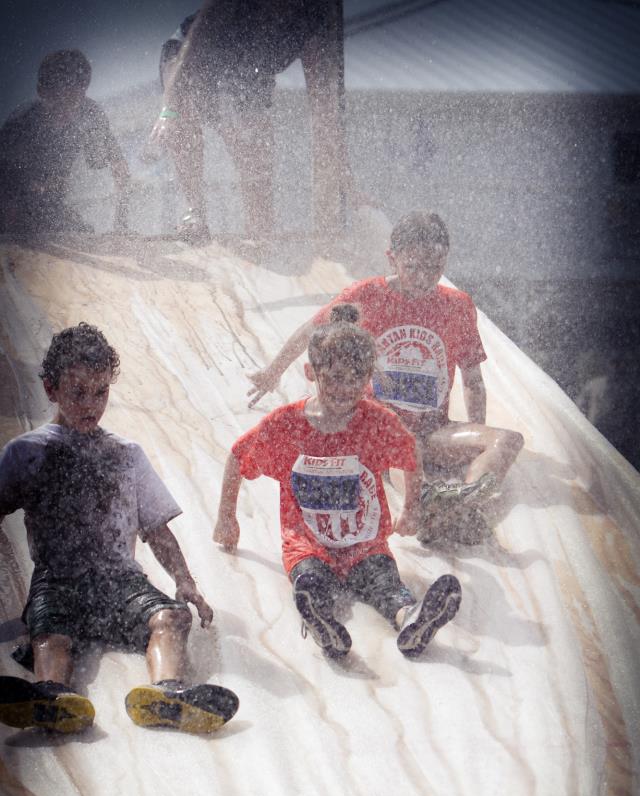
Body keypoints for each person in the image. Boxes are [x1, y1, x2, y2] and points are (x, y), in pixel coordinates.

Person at [0, 324, 238, 735]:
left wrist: (185, 581)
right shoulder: (28, 452)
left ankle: (168, 693)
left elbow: (156, 529)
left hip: (120, 583)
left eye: (101, 392)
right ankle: (50, 695)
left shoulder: (125, 455)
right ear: (51, 389)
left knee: (171, 617)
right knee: (50, 634)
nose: (91, 405)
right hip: (57, 579)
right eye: (78, 392)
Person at [246, 211, 524, 541]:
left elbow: (473, 380)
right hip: (377, 426)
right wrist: (272, 372)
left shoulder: (457, 306)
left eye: (435, 267)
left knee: (508, 440)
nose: (424, 277)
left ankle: (466, 501)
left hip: (434, 429)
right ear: (392, 259)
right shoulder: (368, 296)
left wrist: (476, 433)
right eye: (413, 267)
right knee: (404, 442)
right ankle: (425, 501)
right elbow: (312, 330)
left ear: (446, 259)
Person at [214, 309, 462, 658]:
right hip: (307, 542)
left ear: (369, 378)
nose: (345, 389)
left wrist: (411, 509)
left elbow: (410, 453)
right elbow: (238, 457)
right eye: (334, 378)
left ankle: (410, 619)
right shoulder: (287, 424)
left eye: (356, 379)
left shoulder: (376, 421)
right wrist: (226, 518)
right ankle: (323, 624)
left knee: (385, 583)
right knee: (311, 581)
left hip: (365, 542)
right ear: (310, 372)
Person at [149, 1, 346, 242]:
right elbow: (193, 45)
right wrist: (169, 110)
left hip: (250, 73)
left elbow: (324, 108)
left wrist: (344, 176)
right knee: (181, 113)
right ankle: (194, 212)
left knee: (255, 149)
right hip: (191, 56)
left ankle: (259, 228)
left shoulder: (315, 17)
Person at [0, 49, 130, 236]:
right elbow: (6, 190)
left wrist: (121, 224)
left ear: (84, 90)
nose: (65, 113)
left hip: (52, 207)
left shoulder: (90, 114)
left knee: (84, 232)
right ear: (41, 91)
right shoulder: (19, 126)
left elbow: (117, 167)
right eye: (57, 103)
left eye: (73, 102)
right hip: (14, 207)